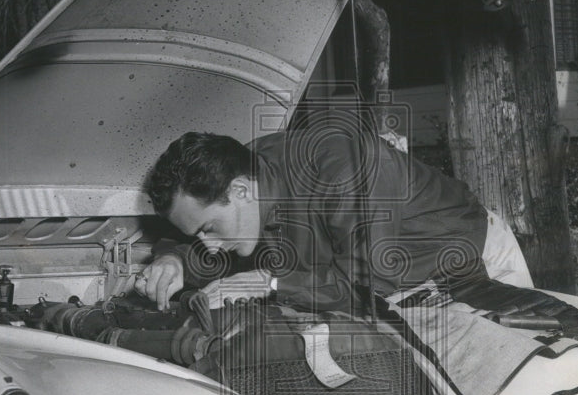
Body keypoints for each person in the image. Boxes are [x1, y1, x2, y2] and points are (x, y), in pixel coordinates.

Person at [137, 126, 532, 314]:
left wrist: (268, 282)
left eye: (208, 229)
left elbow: (369, 282)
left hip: (472, 267)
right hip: (403, 295)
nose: (207, 245)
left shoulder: (344, 167)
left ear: (240, 190)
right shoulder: (245, 172)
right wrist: (173, 260)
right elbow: (201, 241)